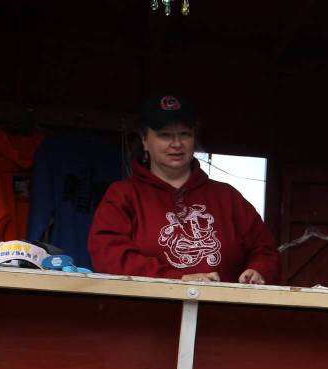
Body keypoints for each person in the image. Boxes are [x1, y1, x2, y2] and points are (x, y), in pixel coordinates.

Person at [88, 94, 280, 284]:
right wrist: (176, 281)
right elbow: (109, 255)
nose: (177, 143)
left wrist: (259, 270)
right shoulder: (123, 195)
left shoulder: (228, 197)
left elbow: (265, 249)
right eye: (165, 135)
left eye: (184, 134)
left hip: (220, 313)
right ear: (145, 140)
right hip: (146, 311)